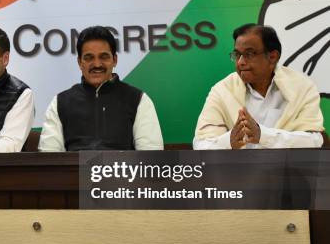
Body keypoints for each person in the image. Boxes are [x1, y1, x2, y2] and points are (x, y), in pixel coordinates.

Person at [193, 24, 324, 149]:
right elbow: (201, 143)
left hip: (286, 171)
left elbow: (314, 140)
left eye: (249, 54)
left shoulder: (302, 87)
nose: (240, 62)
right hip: (237, 171)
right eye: (237, 55)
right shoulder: (222, 90)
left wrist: (263, 135)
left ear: (272, 57)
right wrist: (229, 142)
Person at [38, 25, 163, 151]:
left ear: (114, 60)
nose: (97, 64)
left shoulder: (138, 100)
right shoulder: (60, 102)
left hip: (123, 170)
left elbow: (151, 157)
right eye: (89, 58)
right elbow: (49, 157)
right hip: (73, 170)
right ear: (80, 62)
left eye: (104, 57)